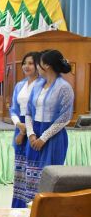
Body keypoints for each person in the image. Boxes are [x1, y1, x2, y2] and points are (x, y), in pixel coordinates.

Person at [20, 49, 74, 207]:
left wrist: (43, 138)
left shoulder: (64, 87)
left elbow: (64, 118)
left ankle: (48, 213)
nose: (37, 66)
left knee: (49, 178)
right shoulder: (37, 85)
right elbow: (28, 112)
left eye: (39, 63)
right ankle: (30, 212)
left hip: (53, 137)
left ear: (47, 66)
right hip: (34, 135)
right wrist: (31, 134)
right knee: (31, 178)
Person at [10, 52, 40, 207]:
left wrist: (25, 131)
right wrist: (18, 125)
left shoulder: (43, 85)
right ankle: (18, 208)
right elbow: (13, 109)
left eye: (30, 63)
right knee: (20, 172)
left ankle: (32, 209)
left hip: (34, 129)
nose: (26, 66)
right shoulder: (19, 85)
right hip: (20, 127)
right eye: (24, 63)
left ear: (38, 65)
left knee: (32, 170)